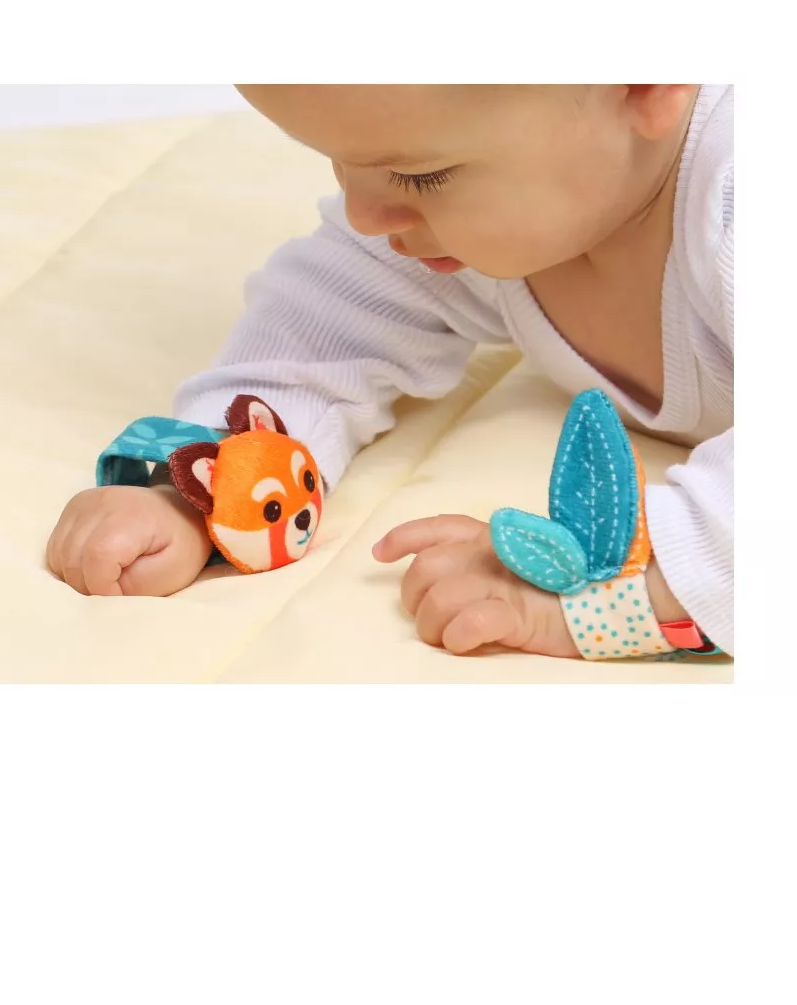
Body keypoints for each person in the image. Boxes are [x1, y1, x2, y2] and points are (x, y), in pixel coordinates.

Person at [46, 84, 733, 659]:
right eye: (338, 161)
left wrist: (629, 589)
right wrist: (214, 487)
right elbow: (321, 325)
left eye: (419, 176)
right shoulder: (467, 216)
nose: (363, 215)